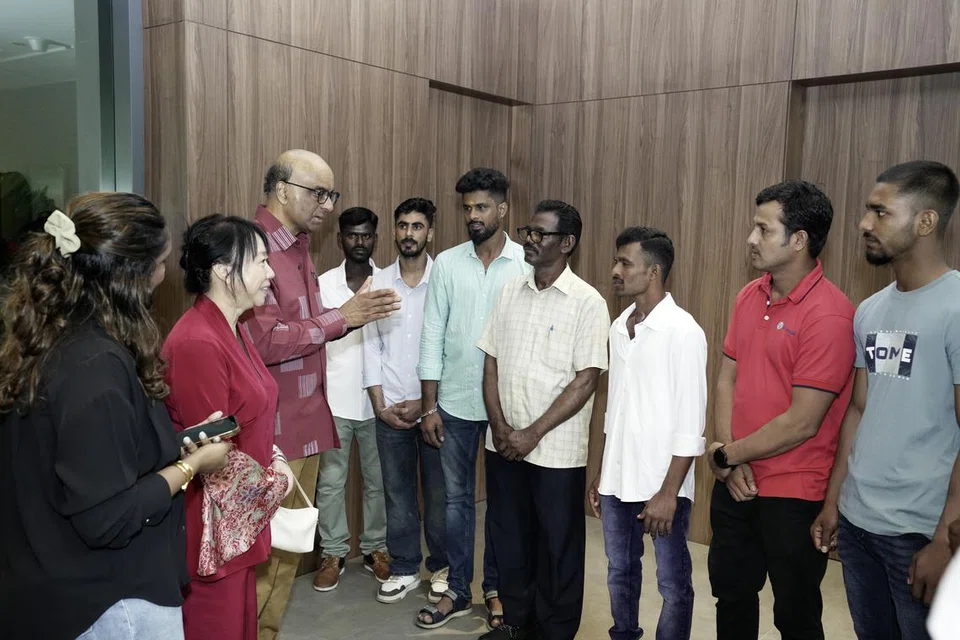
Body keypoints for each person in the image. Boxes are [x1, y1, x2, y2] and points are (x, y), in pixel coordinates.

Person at [0, 193, 230, 640]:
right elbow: (108, 517)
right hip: (108, 604)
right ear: (130, 278)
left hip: (46, 584)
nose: (164, 276)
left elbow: (94, 457)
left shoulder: (43, 339)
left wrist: (176, 444)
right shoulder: (96, 366)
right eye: (160, 264)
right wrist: (192, 466)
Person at [243, 149, 401, 640]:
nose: (328, 205)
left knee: (287, 552)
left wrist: (344, 319)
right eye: (318, 193)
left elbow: (302, 332)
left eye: (332, 194)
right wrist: (342, 319)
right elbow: (265, 341)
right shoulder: (253, 247)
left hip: (304, 421)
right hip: (273, 431)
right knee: (266, 556)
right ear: (282, 189)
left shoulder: (298, 247)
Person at [810, 161, 960, 640]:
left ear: (926, 221)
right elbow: (858, 409)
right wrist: (834, 501)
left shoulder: (955, 307)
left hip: (921, 530)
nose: (863, 223)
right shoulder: (870, 310)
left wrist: (945, 539)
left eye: (880, 212)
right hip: (859, 523)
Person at [705, 180, 856, 640]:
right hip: (736, 480)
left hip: (794, 493)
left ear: (799, 240)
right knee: (731, 597)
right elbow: (727, 378)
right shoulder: (748, 295)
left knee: (794, 615)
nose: (751, 238)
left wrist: (725, 455)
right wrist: (729, 456)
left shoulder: (830, 315)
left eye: (764, 229)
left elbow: (802, 422)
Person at [478, 200, 610, 640]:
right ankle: (517, 622)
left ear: (567, 243)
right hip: (503, 445)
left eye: (541, 234)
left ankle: (555, 632)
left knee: (558, 546)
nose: (529, 240)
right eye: (528, 232)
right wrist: (500, 428)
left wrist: (531, 434)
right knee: (511, 538)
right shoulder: (509, 291)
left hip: (554, 451)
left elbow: (586, 380)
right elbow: (491, 362)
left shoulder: (587, 302)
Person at [163, 215, 296, 640]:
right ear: (223, 270)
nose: (271, 273)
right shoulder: (197, 341)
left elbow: (250, 416)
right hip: (212, 530)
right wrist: (277, 482)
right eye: (261, 261)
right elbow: (213, 457)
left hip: (236, 527)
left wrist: (275, 456)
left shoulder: (231, 327)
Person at [417, 168, 525, 629]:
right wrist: (429, 406)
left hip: (507, 408)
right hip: (455, 403)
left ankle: (496, 590)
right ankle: (458, 591)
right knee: (456, 502)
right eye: (467, 208)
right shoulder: (446, 263)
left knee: (502, 505)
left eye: (482, 207)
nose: (473, 216)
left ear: (503, 208)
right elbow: (431, 335)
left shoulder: (525, 264)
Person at [589, 227, 707, 640]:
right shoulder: (619, 326)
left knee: (672, 584)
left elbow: (691, 424)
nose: (615, 270)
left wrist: (668, 493)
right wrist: (601, 473)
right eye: (616, 261)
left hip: (663, 485)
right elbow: (614, 409)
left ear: (653, 272)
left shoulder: (683, 331)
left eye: (625, 263)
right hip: (617, 480)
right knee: (619, 570)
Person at [364, 198, 449, 605]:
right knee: (397, 495)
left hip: (434, 411)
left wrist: (427, 402)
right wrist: (380, 406)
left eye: (417, 226)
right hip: (391, 413)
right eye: (402, 226)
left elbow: (451, 347)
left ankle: (442, 568)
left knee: (439, 496)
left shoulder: (445, 280)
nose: (409, 233)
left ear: (430, 232)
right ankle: (404, 568)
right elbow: (370, 346)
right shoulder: (378, 283)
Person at [314, 207, 389, 591]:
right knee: (331, 483)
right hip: (335, 400)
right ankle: (333, 553)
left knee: (378, 481)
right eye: (351, 235)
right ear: (340, 237)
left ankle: (376, 547)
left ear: (375, 238)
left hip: (379, 403)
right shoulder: (323, 285)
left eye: (366, 235)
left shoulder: (387, 283)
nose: (359, 241)